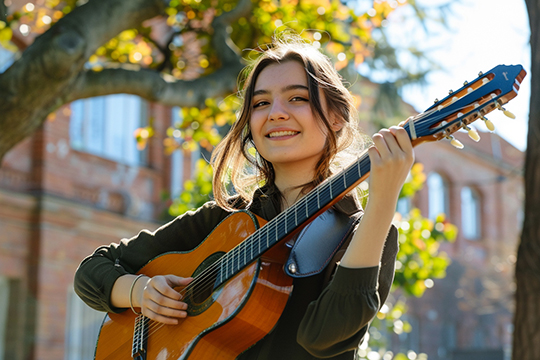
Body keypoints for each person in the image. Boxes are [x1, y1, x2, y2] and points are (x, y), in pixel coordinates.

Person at [74, 33, 414, 359]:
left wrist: (383, 202)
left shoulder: (364, 232)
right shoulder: (222, 219)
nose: (275, 112)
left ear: (337, 117)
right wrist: (141, 293)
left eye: (297, 98)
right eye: (261, 103)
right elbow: (92, 271)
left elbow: (323, 341)